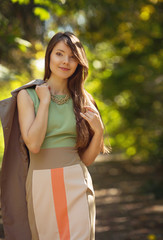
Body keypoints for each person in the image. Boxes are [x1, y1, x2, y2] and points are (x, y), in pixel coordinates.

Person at [1, 32, 108, 240]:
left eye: (73, 57)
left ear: (79, 62)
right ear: (49, 56)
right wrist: (45, 103)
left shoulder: (84, 99)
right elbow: (33, 144)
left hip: (77, 181)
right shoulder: (28, 95)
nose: (66, 61)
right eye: (60, 54)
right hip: (41, 185)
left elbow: (86, 159)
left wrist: (99, 131)